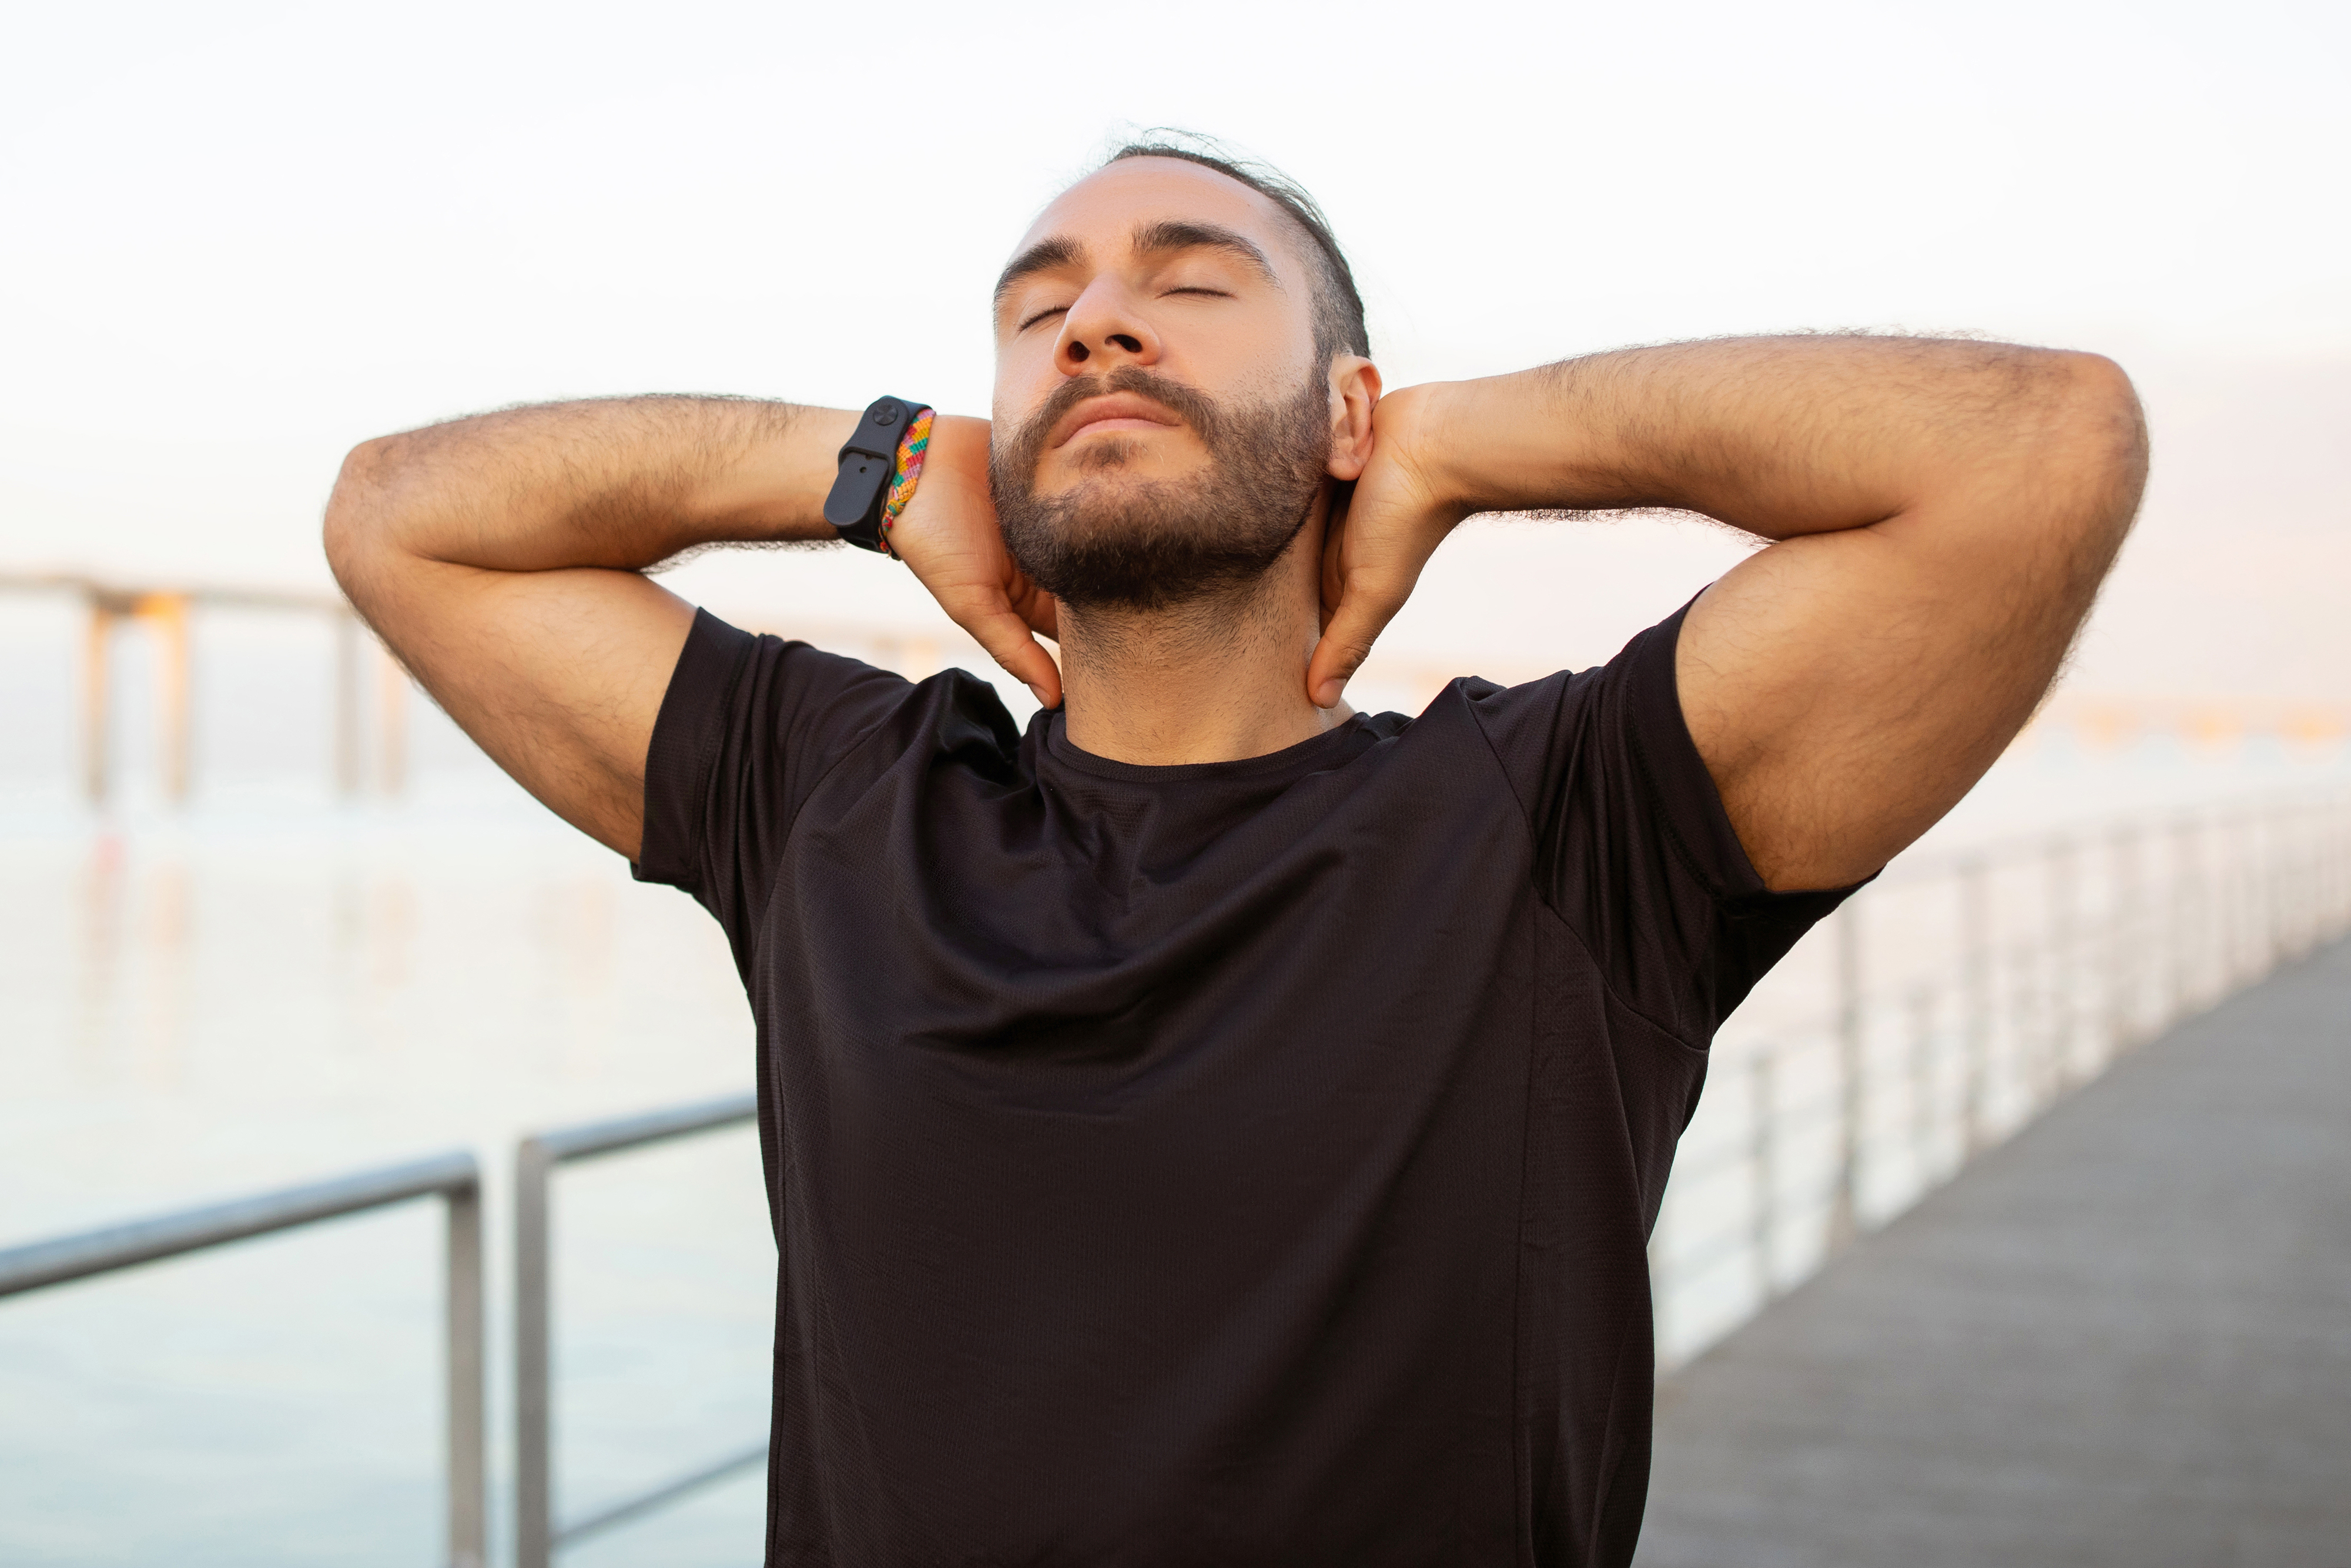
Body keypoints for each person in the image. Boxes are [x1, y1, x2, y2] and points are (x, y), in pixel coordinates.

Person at [323, 135, 2146, 1567]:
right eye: (1039, 313)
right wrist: (870, 463)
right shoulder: (838, 800)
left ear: (1347, 403)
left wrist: (1463, 441)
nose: (1098, 324)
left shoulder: (1567, 824)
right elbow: (401, 517)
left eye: (1191, 285)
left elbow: (2041, 451)